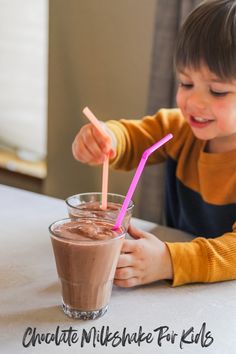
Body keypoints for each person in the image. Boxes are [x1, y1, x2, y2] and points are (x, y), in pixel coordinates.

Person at [72, 0, 236, 287]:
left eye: (217, 90)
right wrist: (105, 138)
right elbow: (134, 137)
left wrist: (168, 261)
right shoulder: (180, 129)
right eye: (186, 83)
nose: (195, 102)